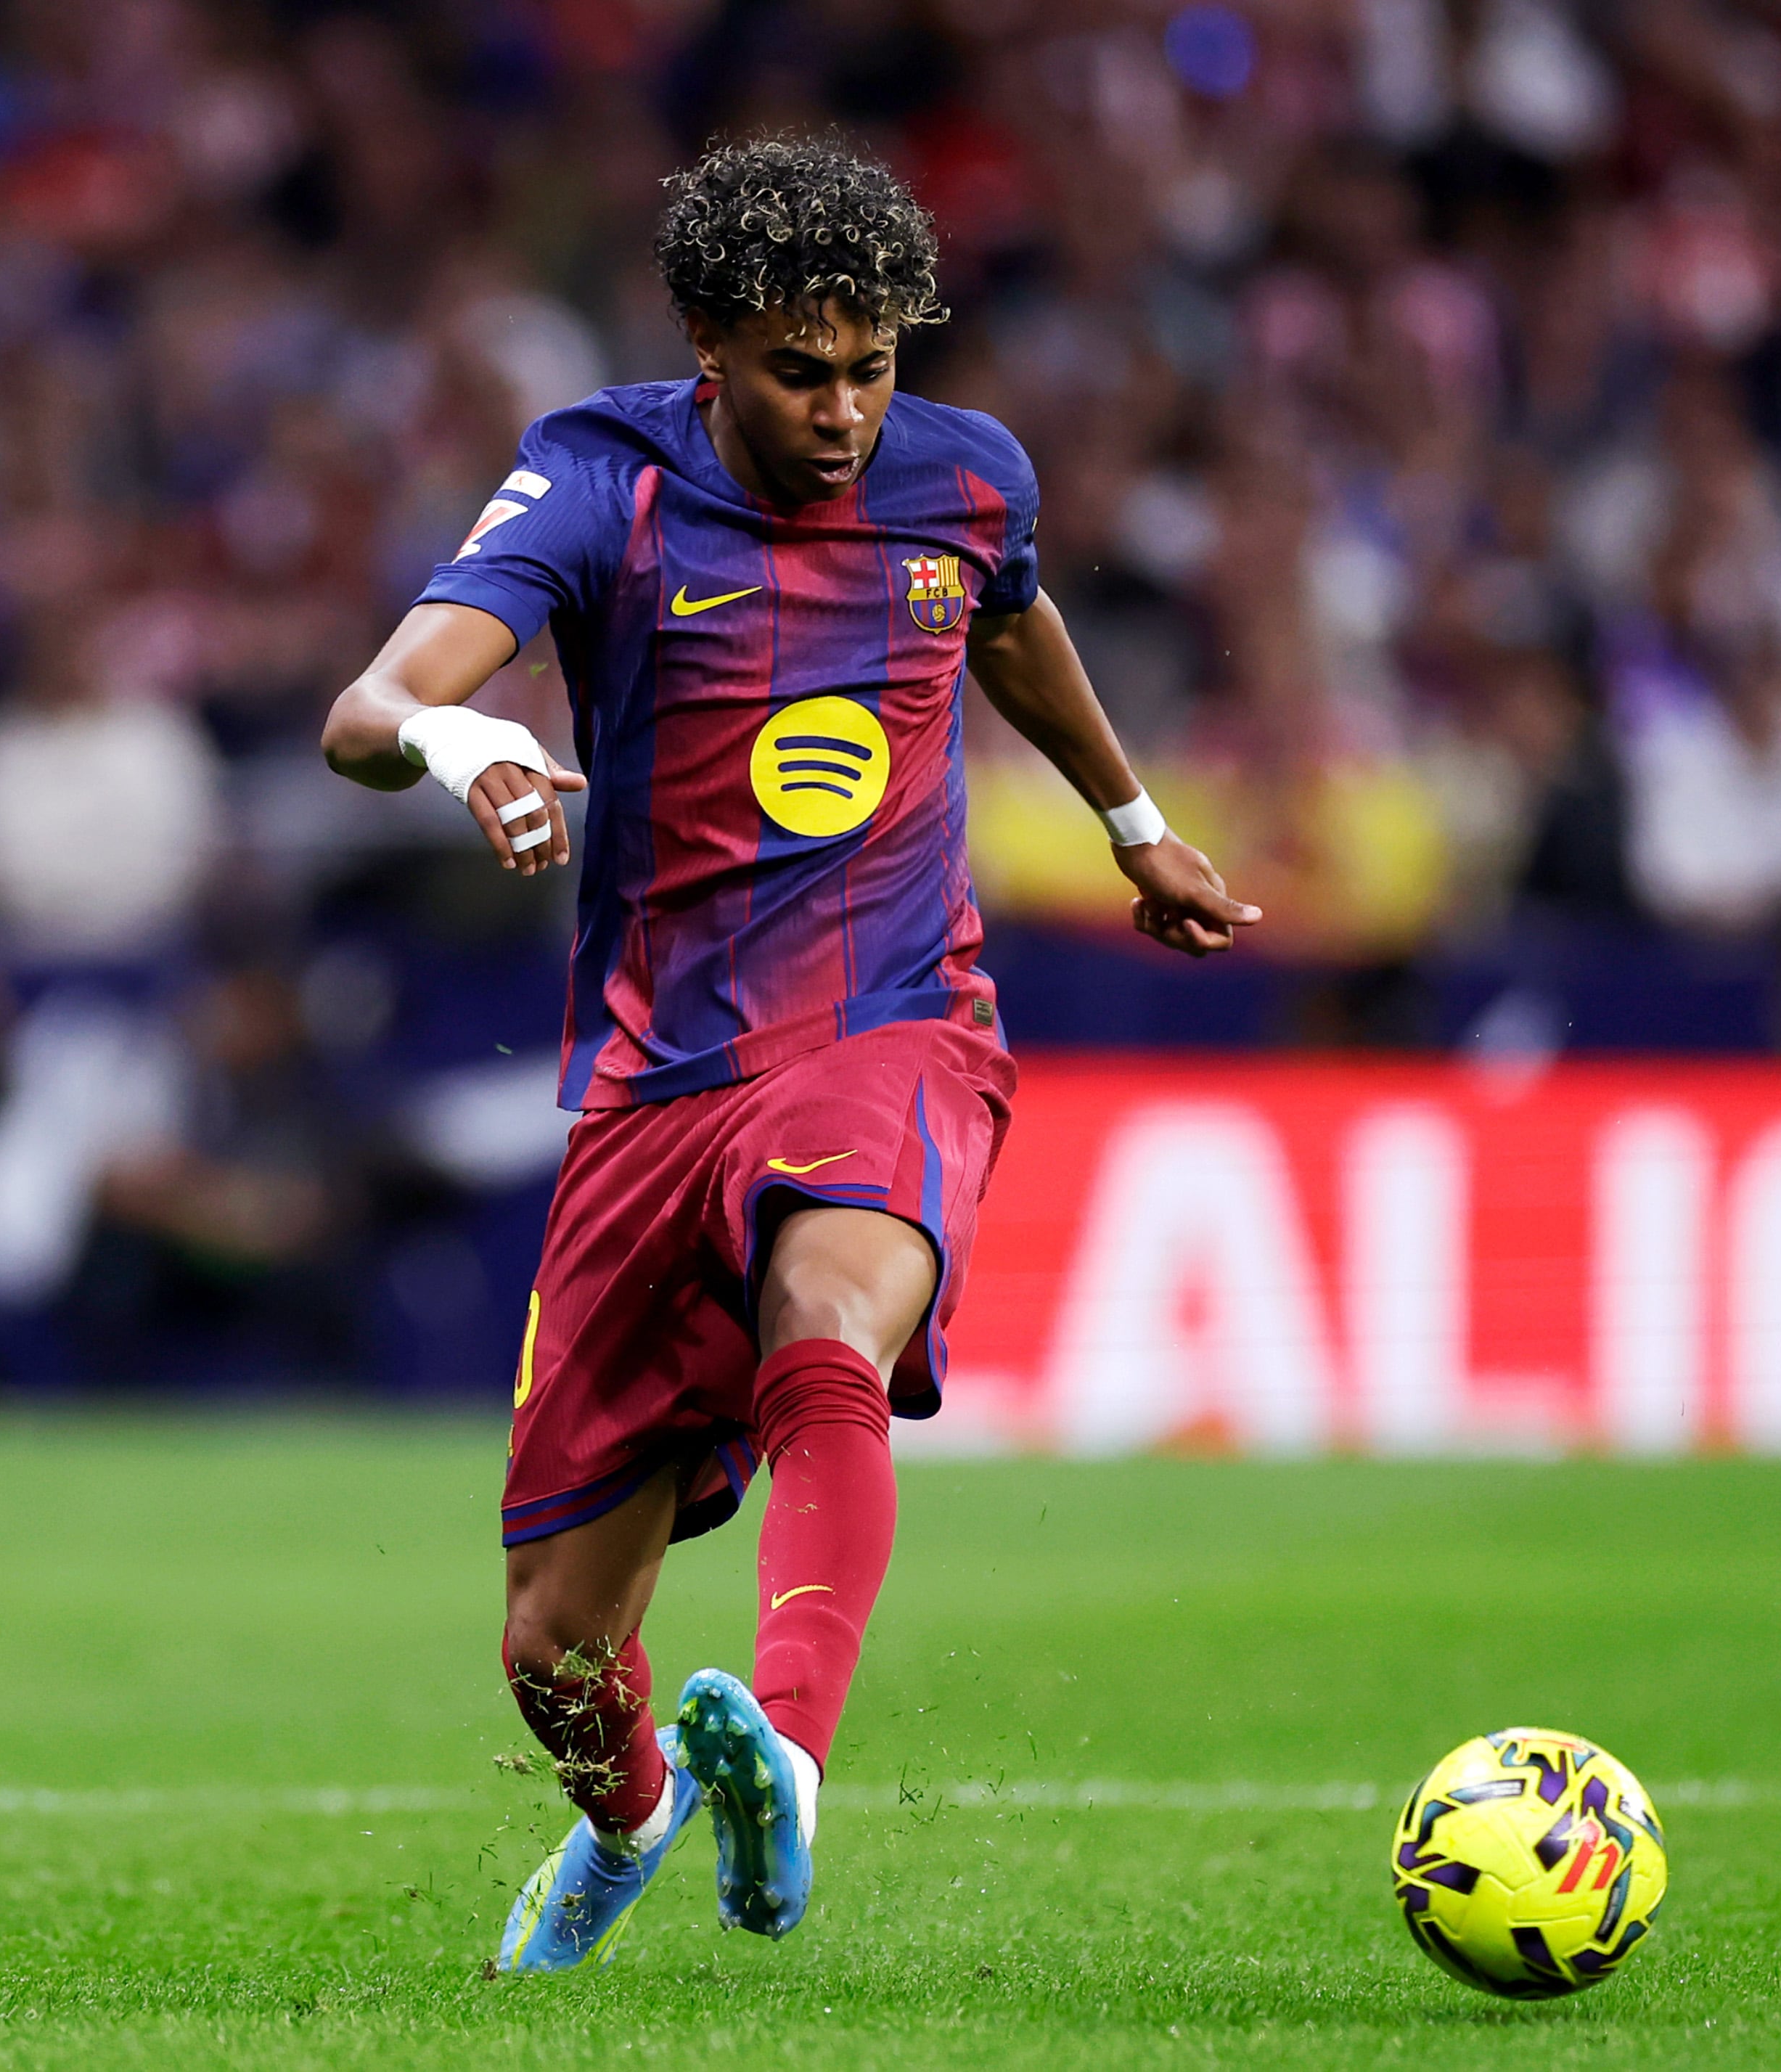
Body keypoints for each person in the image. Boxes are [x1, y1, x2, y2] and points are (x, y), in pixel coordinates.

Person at [318, 137, 1258, 1973]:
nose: (841, 415)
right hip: (653, 1083)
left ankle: (791, 1773)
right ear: (705, 346)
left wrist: (1133, 816)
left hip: (895, 1020)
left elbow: (1013, 614)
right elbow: (368, 709)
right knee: (552, 1648)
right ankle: (639, 1813)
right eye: (796, 372)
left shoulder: (965, 476)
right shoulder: (603, 481)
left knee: (830, 1312)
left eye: (871, 369)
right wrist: (466, 750)